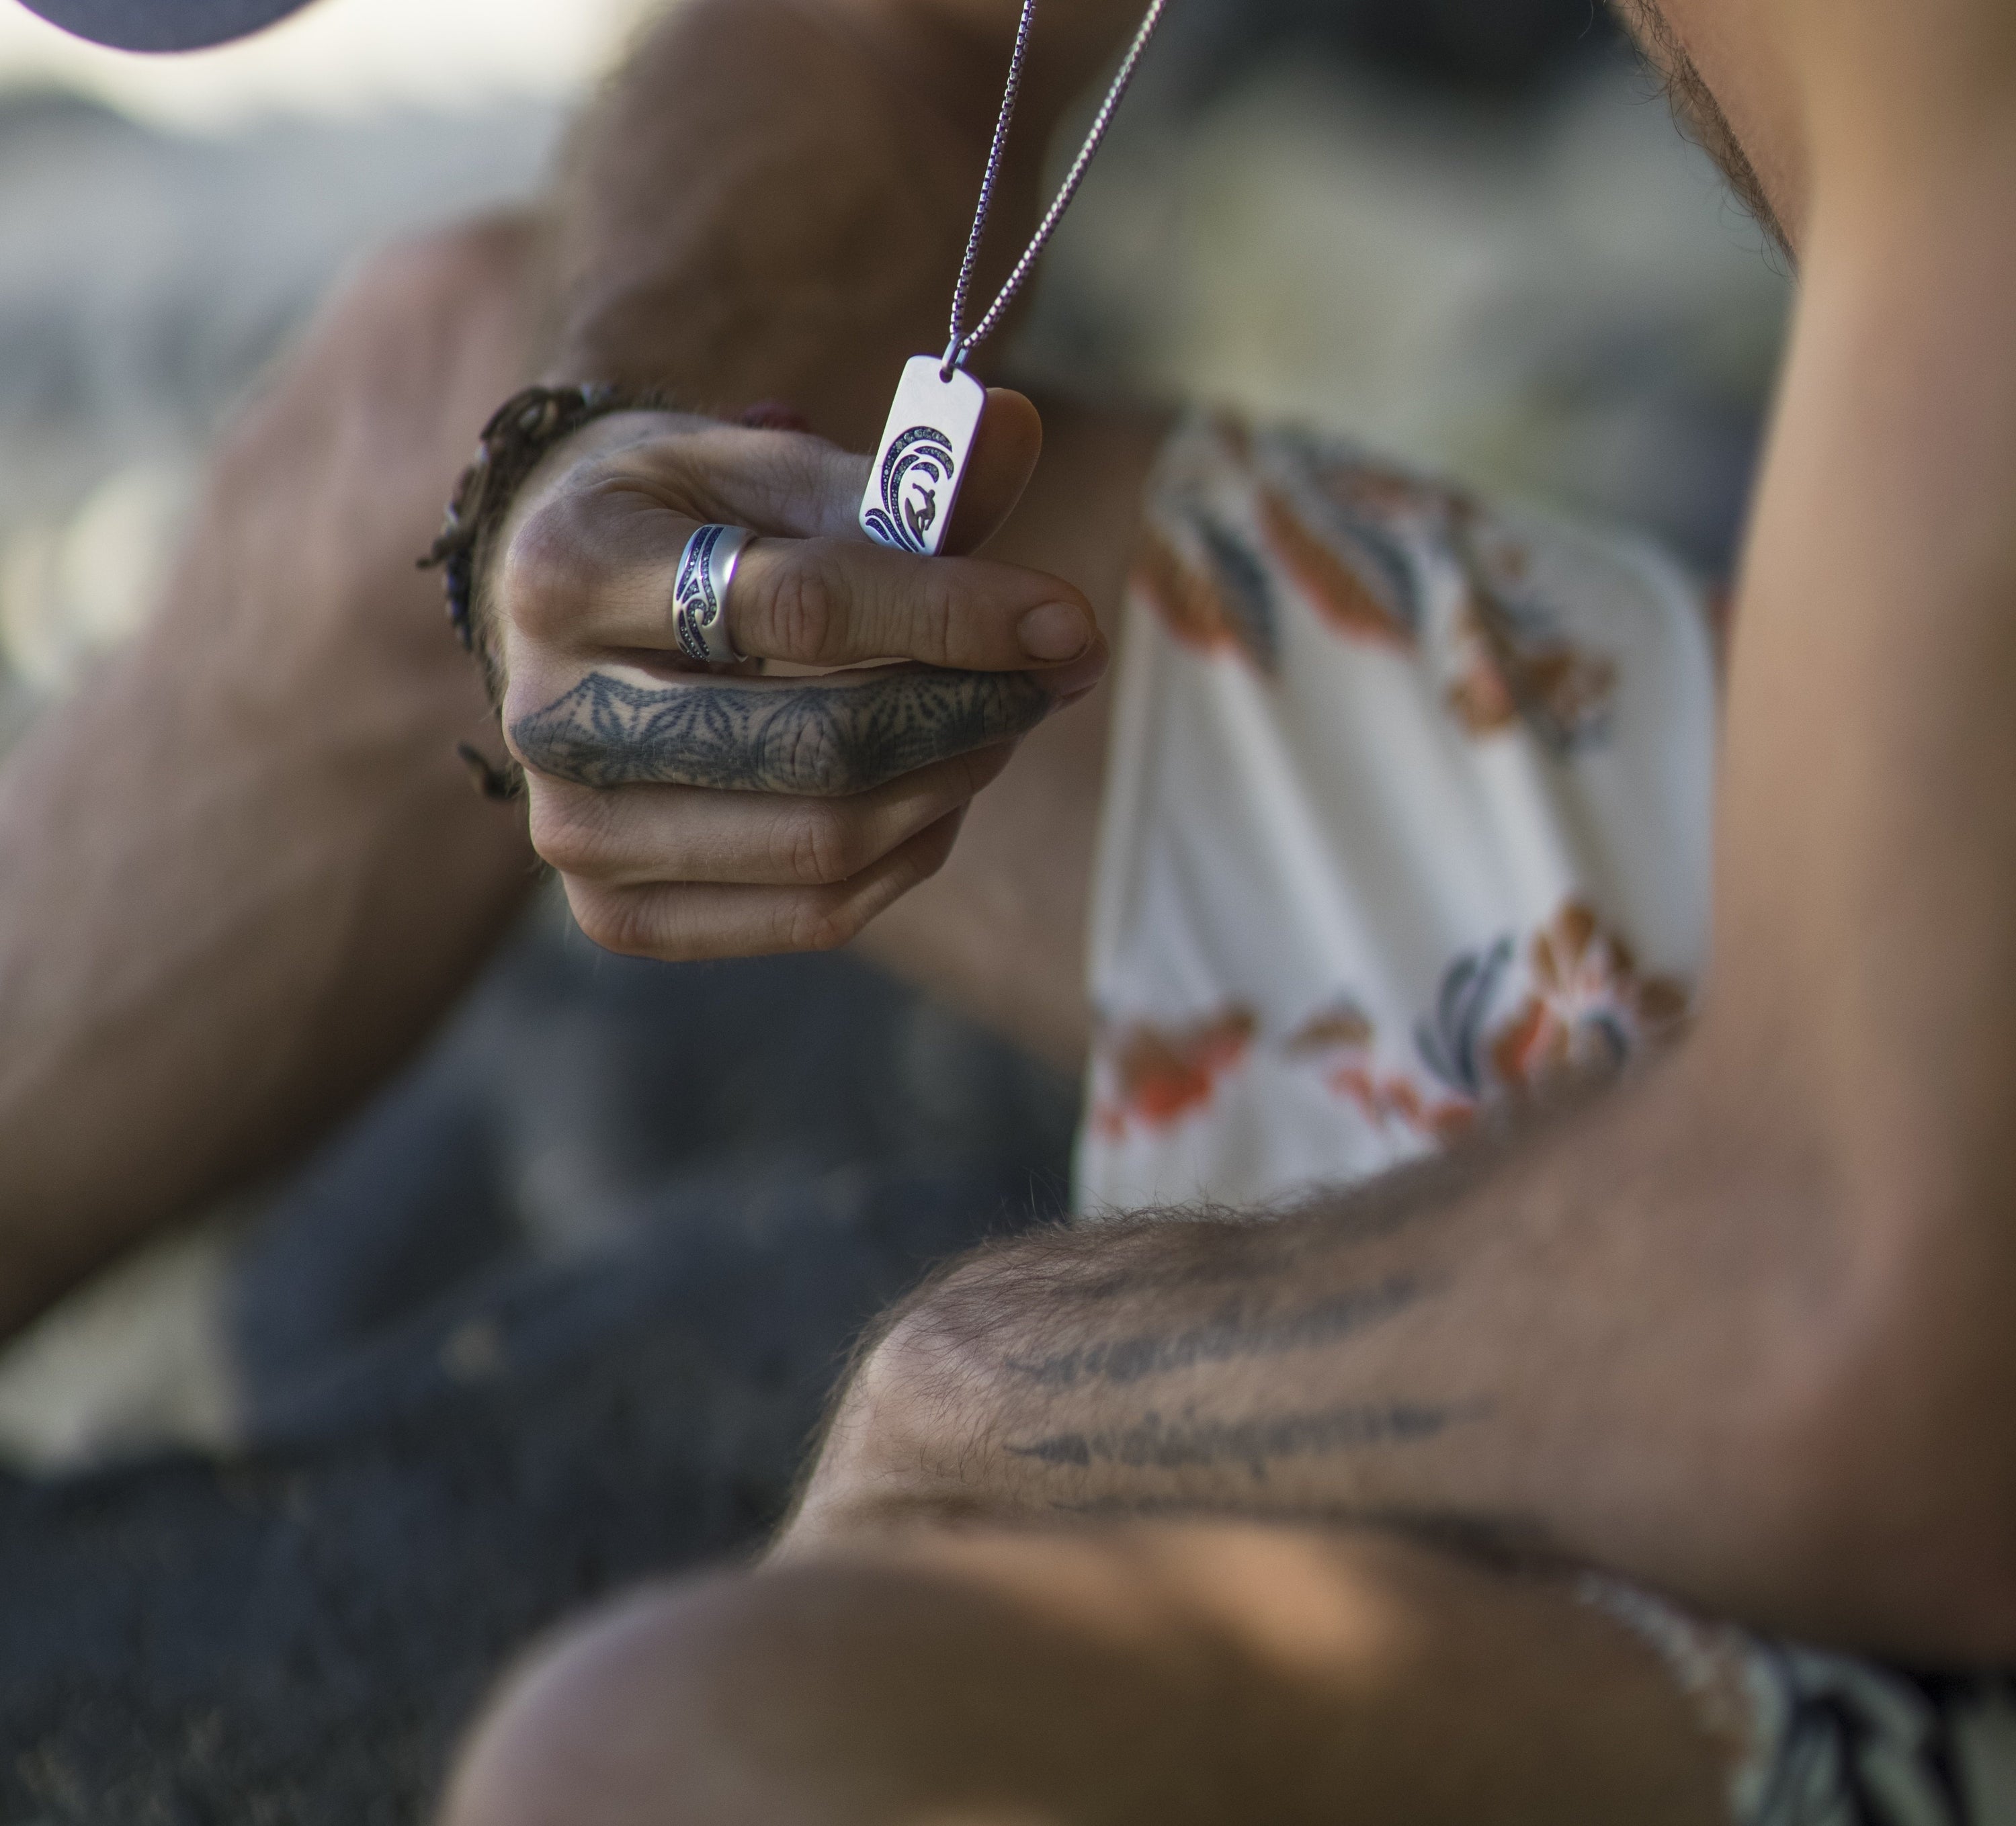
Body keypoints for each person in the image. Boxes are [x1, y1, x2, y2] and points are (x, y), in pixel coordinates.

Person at [3, 0, 2015, 1821]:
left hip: (1930, 1314)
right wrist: (620, 472)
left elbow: (1903, 1336)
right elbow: (900, 29)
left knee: (671, 1769)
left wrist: (1003, 1398)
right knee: (465, 429)